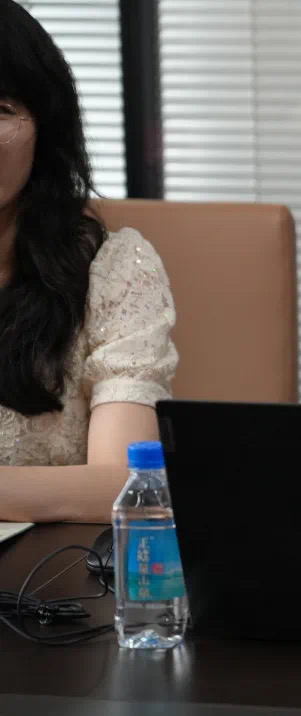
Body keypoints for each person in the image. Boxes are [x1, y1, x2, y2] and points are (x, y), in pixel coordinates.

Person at [0, 0, 177, 523]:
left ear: (45, 128)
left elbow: (125, 484)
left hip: (47, 570)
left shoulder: (114, 271)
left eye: (0, 110)